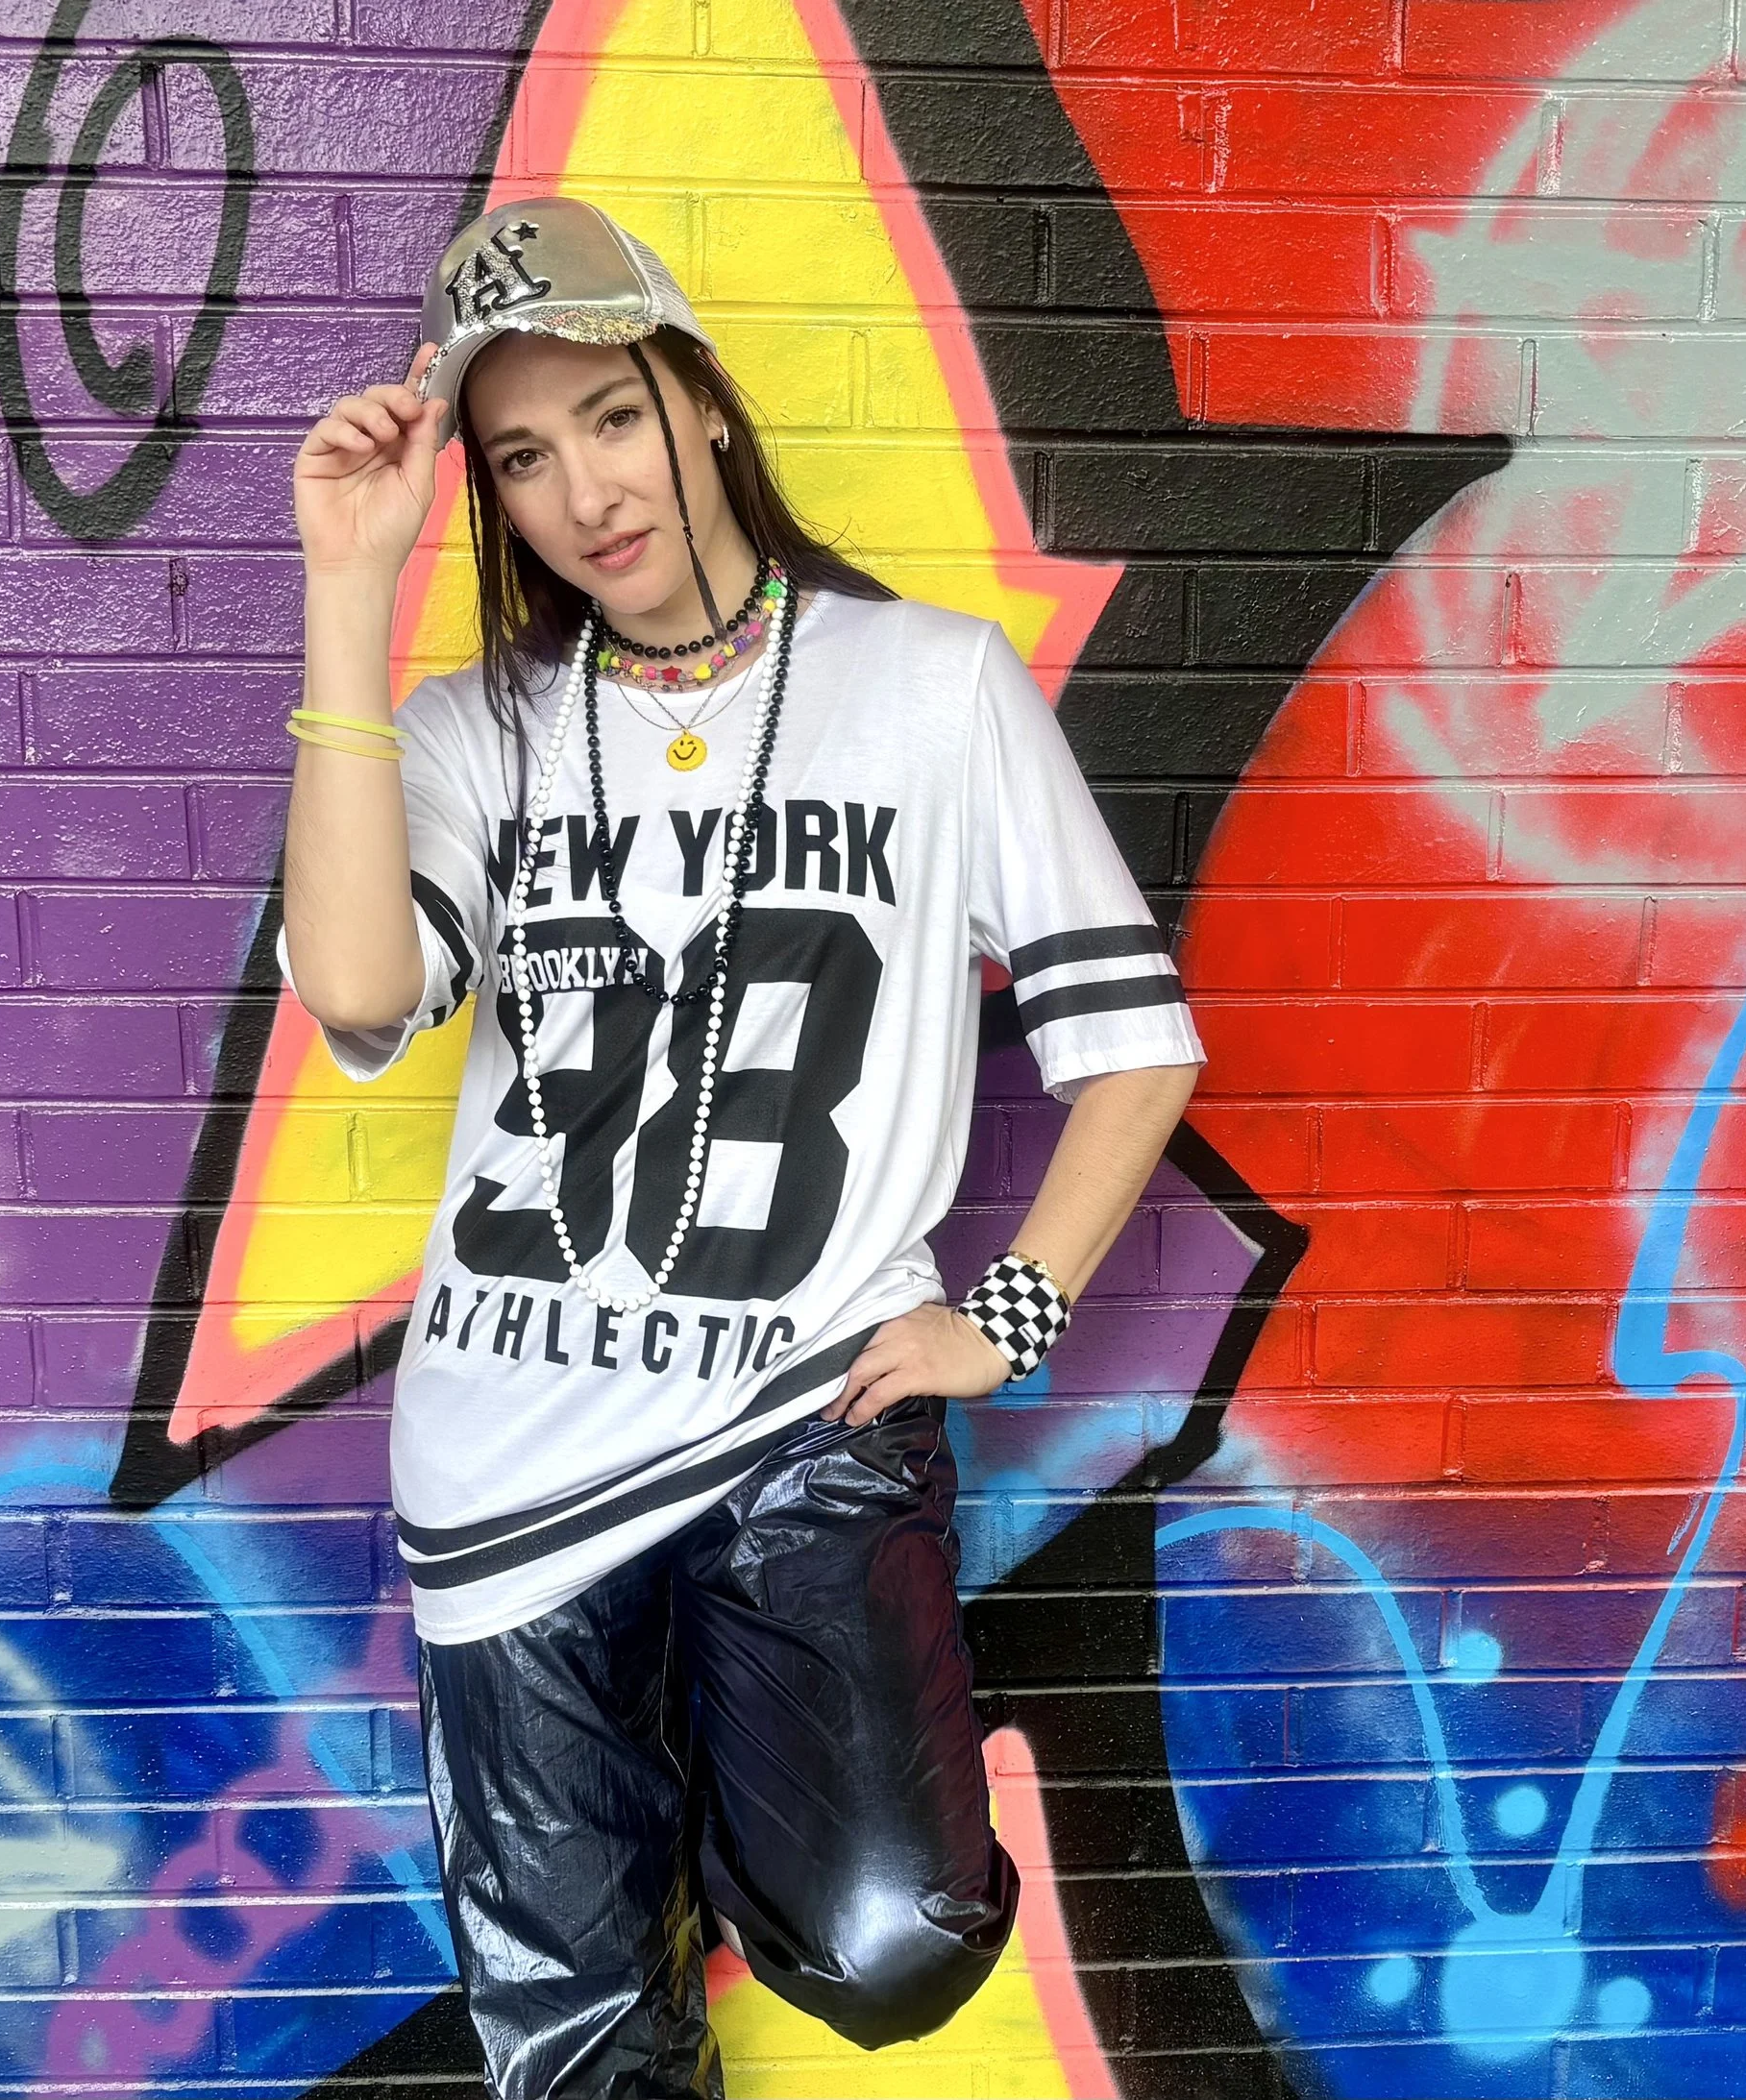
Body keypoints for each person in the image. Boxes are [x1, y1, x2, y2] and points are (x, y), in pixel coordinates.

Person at [278, 196, 1206, 2099]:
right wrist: (344, 598)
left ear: (695, 404)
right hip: (506, 1472)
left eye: (609, 419)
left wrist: (1000, 1319)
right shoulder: (474, 729)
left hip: (806, 1418)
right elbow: (362, 997)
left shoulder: (928, 688)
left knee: (887, 1939)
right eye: (518, 457)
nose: (581, 492)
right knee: (583, 2038)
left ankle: (683, 1779)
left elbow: (1133, 1051)